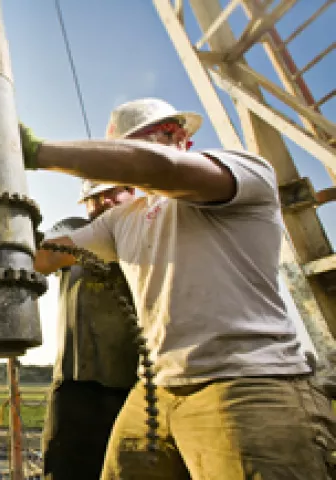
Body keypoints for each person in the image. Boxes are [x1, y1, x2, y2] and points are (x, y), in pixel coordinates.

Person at [20, 97, 336, 479]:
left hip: (246, 384)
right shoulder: (123, 220)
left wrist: (39, 152)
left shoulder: (243, 172)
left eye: (128, 148)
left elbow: (160, 167)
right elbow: (50, 256)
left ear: (176, 135)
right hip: (156, 391)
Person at [37, 180, 139, 480]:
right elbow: (49, 249)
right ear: (86, 203)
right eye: (98, 197)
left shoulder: (147, 233)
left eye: (115, 193)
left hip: (139, 385)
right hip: (77, 384)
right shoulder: (74, 229)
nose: (107, 202)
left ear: (132, 192)